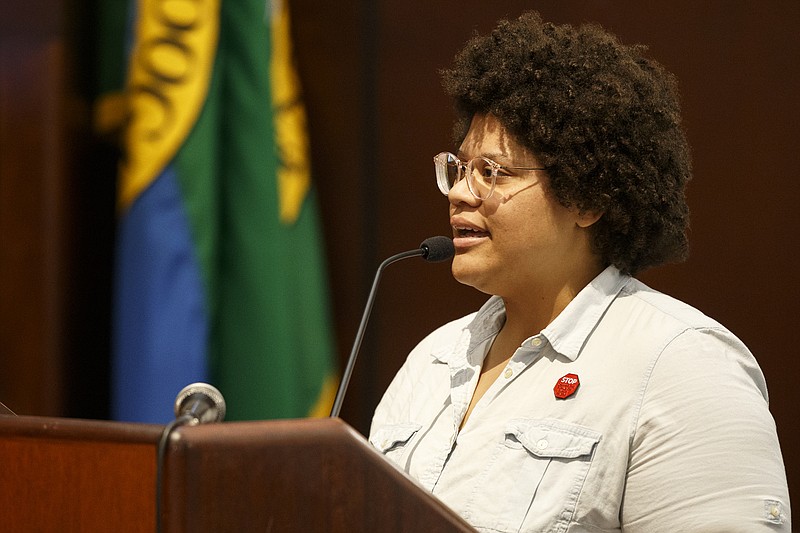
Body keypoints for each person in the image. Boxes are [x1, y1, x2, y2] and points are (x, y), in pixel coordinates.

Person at [369, 11, 790, 533]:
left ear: (586, 197)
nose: (459, 193)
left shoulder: (683, 366)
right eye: (458, 169)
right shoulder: (430, 362)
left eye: (492, 173)